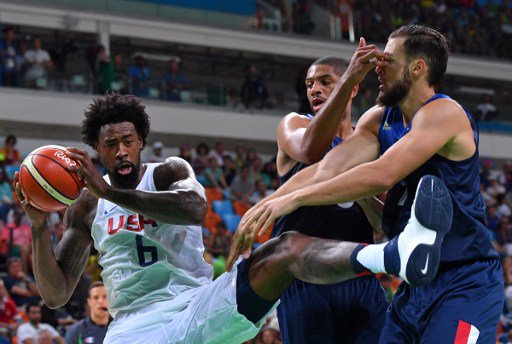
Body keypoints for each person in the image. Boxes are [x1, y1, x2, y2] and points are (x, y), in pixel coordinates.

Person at [15, 93, 450, 343]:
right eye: (111, 145)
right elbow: (55, 295)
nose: (122, 151)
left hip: (196, 307)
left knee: (286, 247)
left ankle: (392, 255)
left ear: (141, 140)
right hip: (133, 328)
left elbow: (195, 209)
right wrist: (38, 229)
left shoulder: (168, 172)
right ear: (98, 149)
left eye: (128, 141)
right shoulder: (87, 206)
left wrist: (112, 192)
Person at [232, 25, 504, 343]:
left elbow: (381, 174)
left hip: (464, 280)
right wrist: (266, 204)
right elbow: (326, 169)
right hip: (413, 284)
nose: (378, 65)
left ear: (417, 68)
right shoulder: (378, 120)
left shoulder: (444, 113)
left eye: (388, 59)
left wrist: (289, 200)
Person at [272, 56, 388, 343]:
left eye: (326, 82)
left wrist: (356, 187)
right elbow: (310, 150)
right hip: (305, 277)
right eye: (310, 84)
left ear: (352, 89)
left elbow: (384, 223)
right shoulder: (294, 124)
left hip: (359, 279)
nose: (315, 90)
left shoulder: (371, 145)